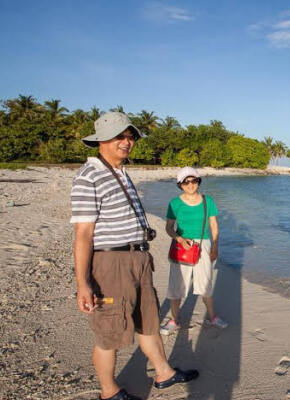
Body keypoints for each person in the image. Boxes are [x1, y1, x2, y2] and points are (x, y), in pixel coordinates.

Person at [71, 112, 198, 400]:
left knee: (148, 320)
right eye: (120, 136)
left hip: (138, 259)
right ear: (102, 140)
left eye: (130, 137)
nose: (127, 142)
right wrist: (83, 283)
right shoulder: (89, 175)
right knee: (109, 331)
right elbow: (83, 234)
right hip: (111, 262)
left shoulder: (120, 172)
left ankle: (163, 372)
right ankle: (108, 391)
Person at [159, 167, 228, 335]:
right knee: (177, 285)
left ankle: (212, 317)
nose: (190, 185)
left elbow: (214, 225)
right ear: (180, 184)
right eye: (186, 182)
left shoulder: (208, 201)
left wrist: (215, 246)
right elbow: (168, 227)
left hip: (203, 245)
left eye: (194, 181)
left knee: (205, 284)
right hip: (181, 246)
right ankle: (174, 320)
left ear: (198, 182)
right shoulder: (175, 203)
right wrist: (180, 239)